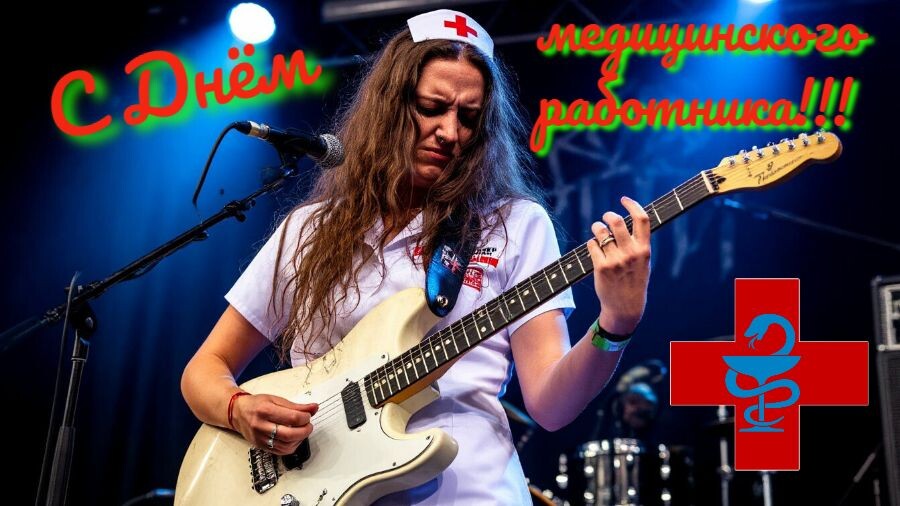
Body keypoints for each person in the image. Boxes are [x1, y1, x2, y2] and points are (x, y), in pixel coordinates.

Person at [180, 9, 652, 505]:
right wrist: (239, 408)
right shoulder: (310, 229)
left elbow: (551, 407)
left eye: (469, 118)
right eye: (432, 107)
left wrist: (616, 323)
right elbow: (205, 368)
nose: (450, 131)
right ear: (389, 105)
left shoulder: (515, 223)